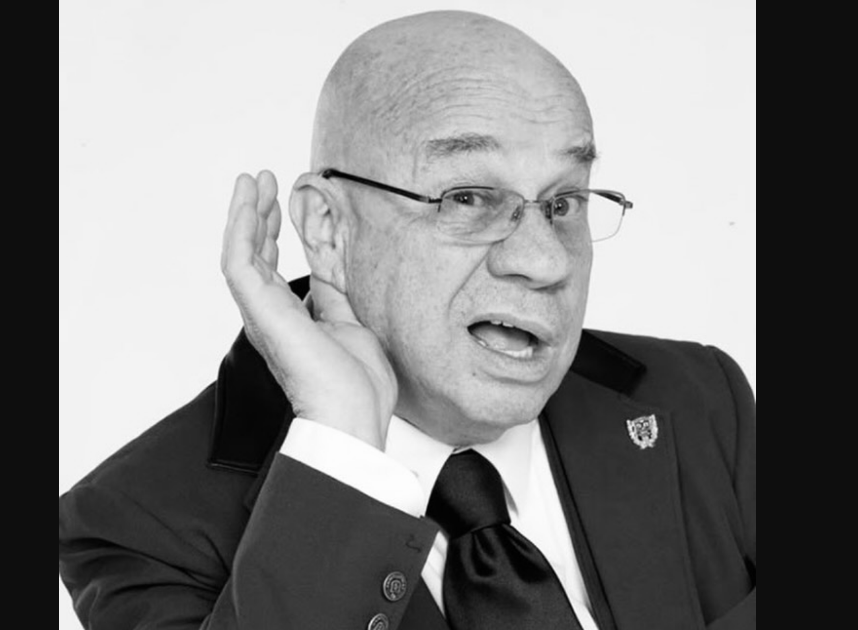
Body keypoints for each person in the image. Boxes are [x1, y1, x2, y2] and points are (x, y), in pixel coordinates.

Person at [58, 10, 755, 630]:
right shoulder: (137, 523)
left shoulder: (703, 399)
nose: (545, 261)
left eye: (564, 201)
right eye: (468, 197)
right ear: (328, 228)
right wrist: (343, 449)